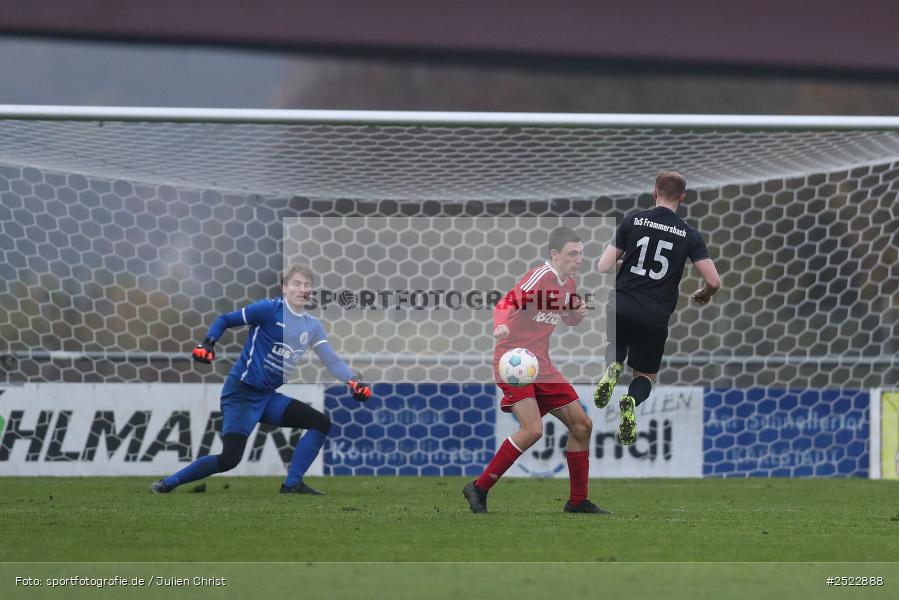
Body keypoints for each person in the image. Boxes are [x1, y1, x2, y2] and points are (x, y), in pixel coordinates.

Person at [150, 264, 371, 495]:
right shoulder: (268, 310)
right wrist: (208, 343)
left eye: (307, 285)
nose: (302, 289)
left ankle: (292, 484)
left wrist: (353, 381)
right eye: (296, 283)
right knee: (229, 459)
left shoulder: (312, 326)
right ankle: (168, 483)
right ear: (284, 288)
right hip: (241, 394)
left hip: (267, 397)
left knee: (320, 423)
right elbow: (225, 319)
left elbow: (333, 362)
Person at [463, 227, 609, 514]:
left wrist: (576, 315)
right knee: (533, 430)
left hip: (541, 365)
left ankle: (578, 501)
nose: (578, 259)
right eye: (572, 253)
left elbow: (565, 319)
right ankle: (478, 488)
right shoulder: (539, 276)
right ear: (554, 254)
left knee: (582, 425)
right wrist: (500, 324)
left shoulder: (568, 284)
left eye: (580, 253)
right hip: (514, 361)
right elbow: (506, 302)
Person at [594, 171, 720, 444]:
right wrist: (704, 293)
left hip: (622, 303)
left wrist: (625, 264)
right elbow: (713, 280)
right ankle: (630, 401)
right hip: (654, 315)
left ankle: (612, 369)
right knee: (645, 377)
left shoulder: (633, 220)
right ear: (683, 198)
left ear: (654, 192)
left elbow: (603, 266)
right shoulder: (689, 234)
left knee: (616, 344)